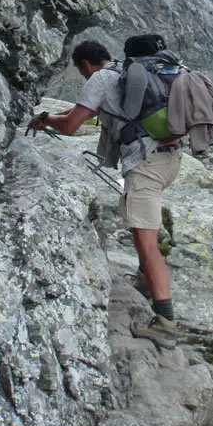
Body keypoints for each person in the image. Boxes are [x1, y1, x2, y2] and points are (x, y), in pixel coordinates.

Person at [31, 40, 182, 349]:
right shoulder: (124, 74)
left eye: (81, 70)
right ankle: (144, 279)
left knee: (146, 240)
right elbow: (84, 111)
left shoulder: (100, 78)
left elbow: (72, 125)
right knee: (143, 226)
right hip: (170, 159)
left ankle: (166, 324)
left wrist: (46, 121)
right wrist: (52, 115)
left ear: (86, 64)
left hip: (146, 164)